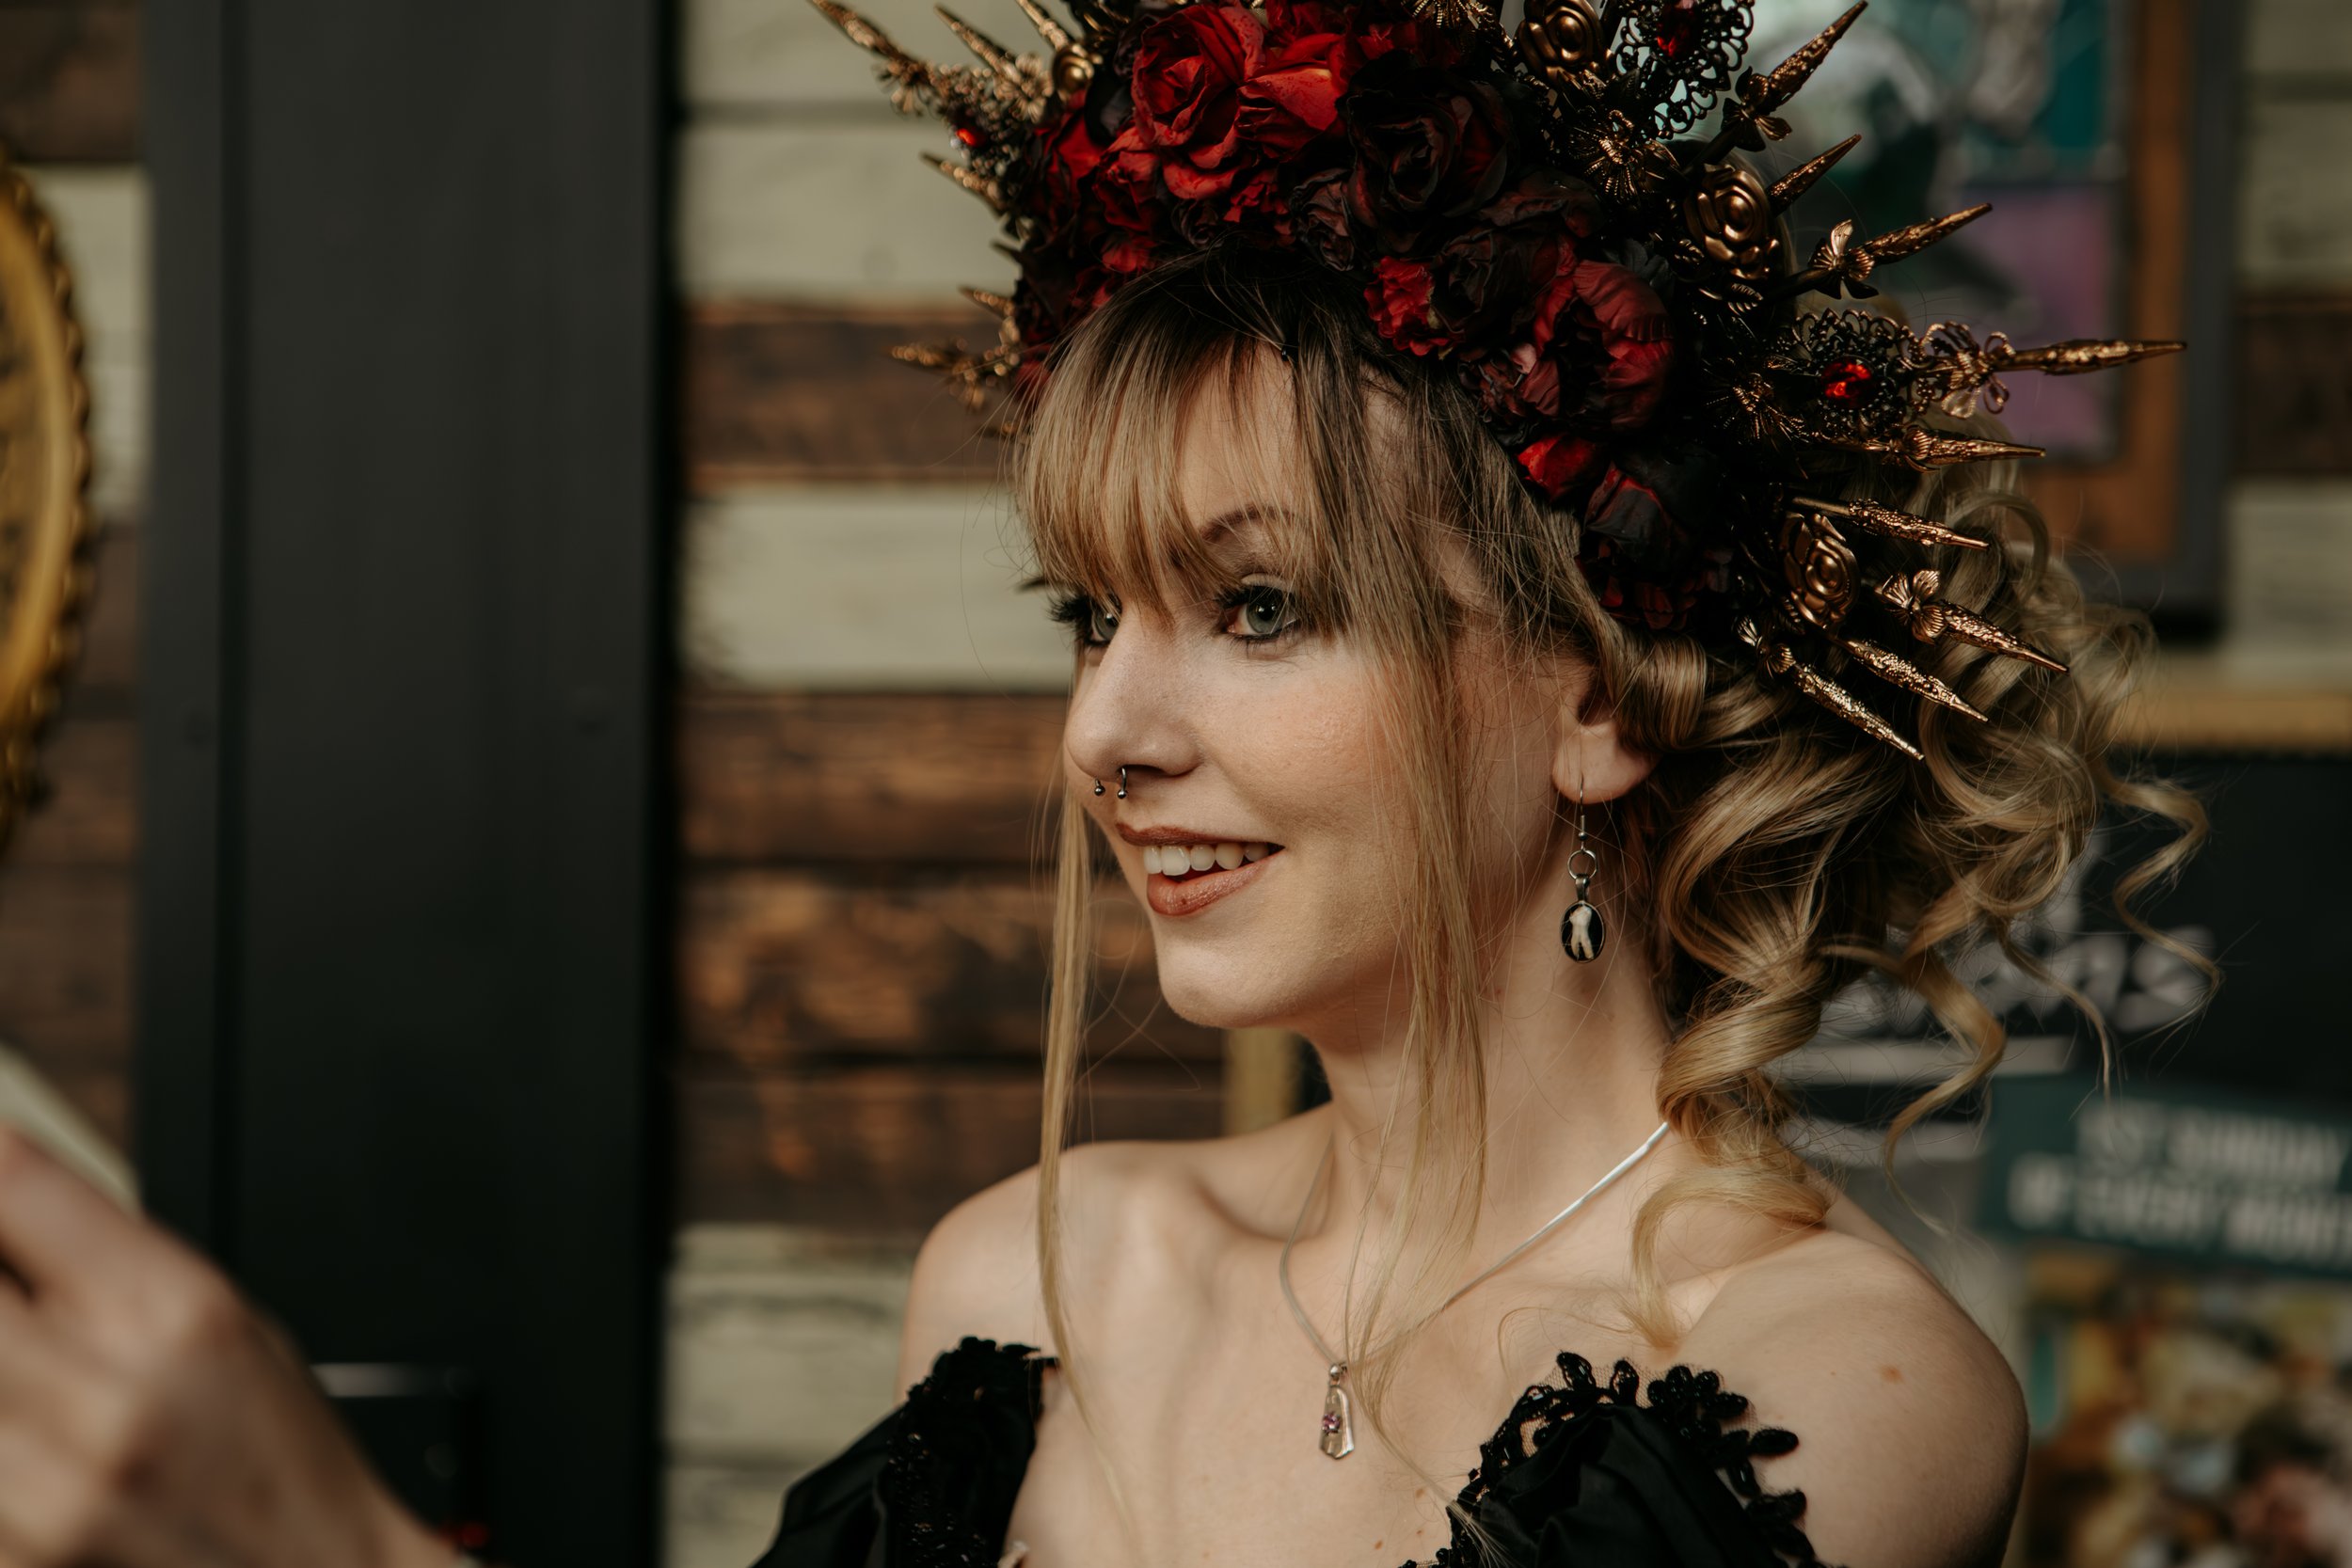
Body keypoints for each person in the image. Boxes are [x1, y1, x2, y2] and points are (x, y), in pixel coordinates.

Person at [0, 3, 2201, 1568]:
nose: (1104, 730)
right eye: (1087, 615)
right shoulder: (1029, 1291)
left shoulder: (1837, 1392)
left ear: (1597, 694)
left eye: (1255, 611)